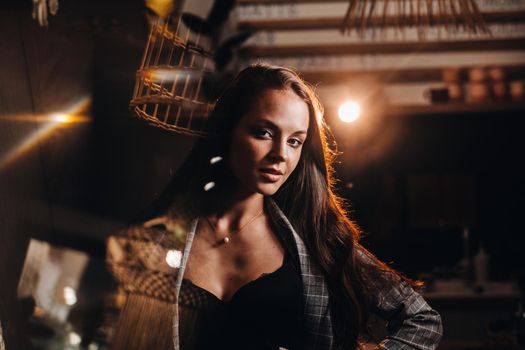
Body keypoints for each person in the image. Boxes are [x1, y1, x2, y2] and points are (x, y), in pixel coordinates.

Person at [107, 63, 442, 350]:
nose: (281, 154)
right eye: (264, 133)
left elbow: (422, 319)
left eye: (295, 140)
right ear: (228, 133)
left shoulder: (316, 238)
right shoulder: (159, 238)